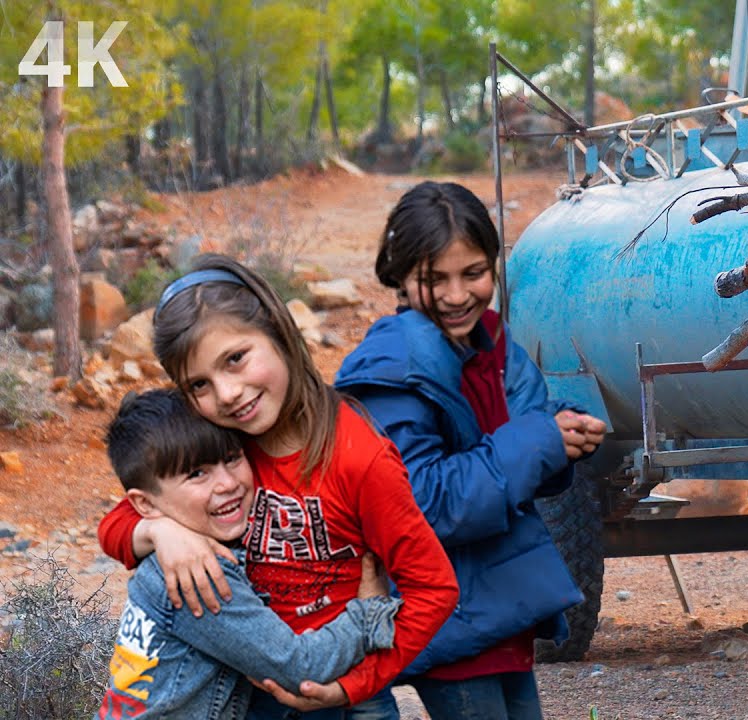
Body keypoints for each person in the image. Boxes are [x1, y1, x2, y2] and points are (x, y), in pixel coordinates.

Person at [97, 254, 460, 718]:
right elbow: (122, 518)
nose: (227, 393)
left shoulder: (359, 457)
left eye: (236, 359)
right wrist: (160, 532)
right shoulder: (225, 442)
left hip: (347, 691)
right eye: (199, 384)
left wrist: (353, 686)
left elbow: (433, 588)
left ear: (278, 331)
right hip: (255, 693)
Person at [332, 180, 607, 720]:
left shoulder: (490, 343)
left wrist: (564, 435)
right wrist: (541, 440)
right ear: (400, 275)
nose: (457, 295)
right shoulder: (393, 367)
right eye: (435, 279)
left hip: (497, 605)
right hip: (447, 615)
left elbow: (518, 430)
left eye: (474, 273)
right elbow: (423, 503)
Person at [97, 389, 402, 720]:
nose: (227, 483)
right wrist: (369, 611)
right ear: (145, 504)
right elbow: (300, 668)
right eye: (197, 474)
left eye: (232, 458)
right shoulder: (197, 575)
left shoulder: (181, 541)